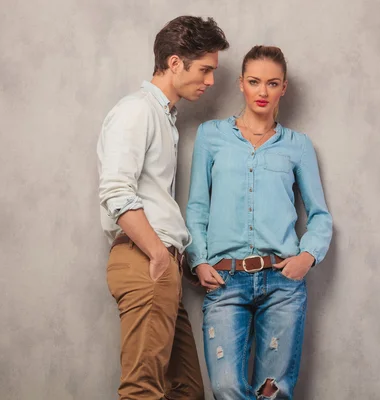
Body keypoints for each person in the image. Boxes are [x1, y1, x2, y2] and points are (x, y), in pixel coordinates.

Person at [185, 45, 333, 400]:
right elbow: (196, 207)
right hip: (225, 280)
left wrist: (306, 258)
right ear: (241, 84)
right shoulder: (211, 136)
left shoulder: (297, 145)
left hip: (281, 282)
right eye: (254, 82)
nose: (262, 92)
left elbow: (320, 217)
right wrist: (199, 260)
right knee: (226, 388)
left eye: (272, 83)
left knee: (273, 392)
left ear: (284, 87)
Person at [96, 16, 229, 400]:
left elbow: (151, 197)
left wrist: (177, 259)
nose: (210, 82)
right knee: (142, 391)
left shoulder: (164, 118)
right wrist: (157, 253)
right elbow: (117, 190)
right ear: (174, 63)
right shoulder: (136, 111)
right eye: (205, 70)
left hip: (161, 262)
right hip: (144, 260)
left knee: (185, 391)